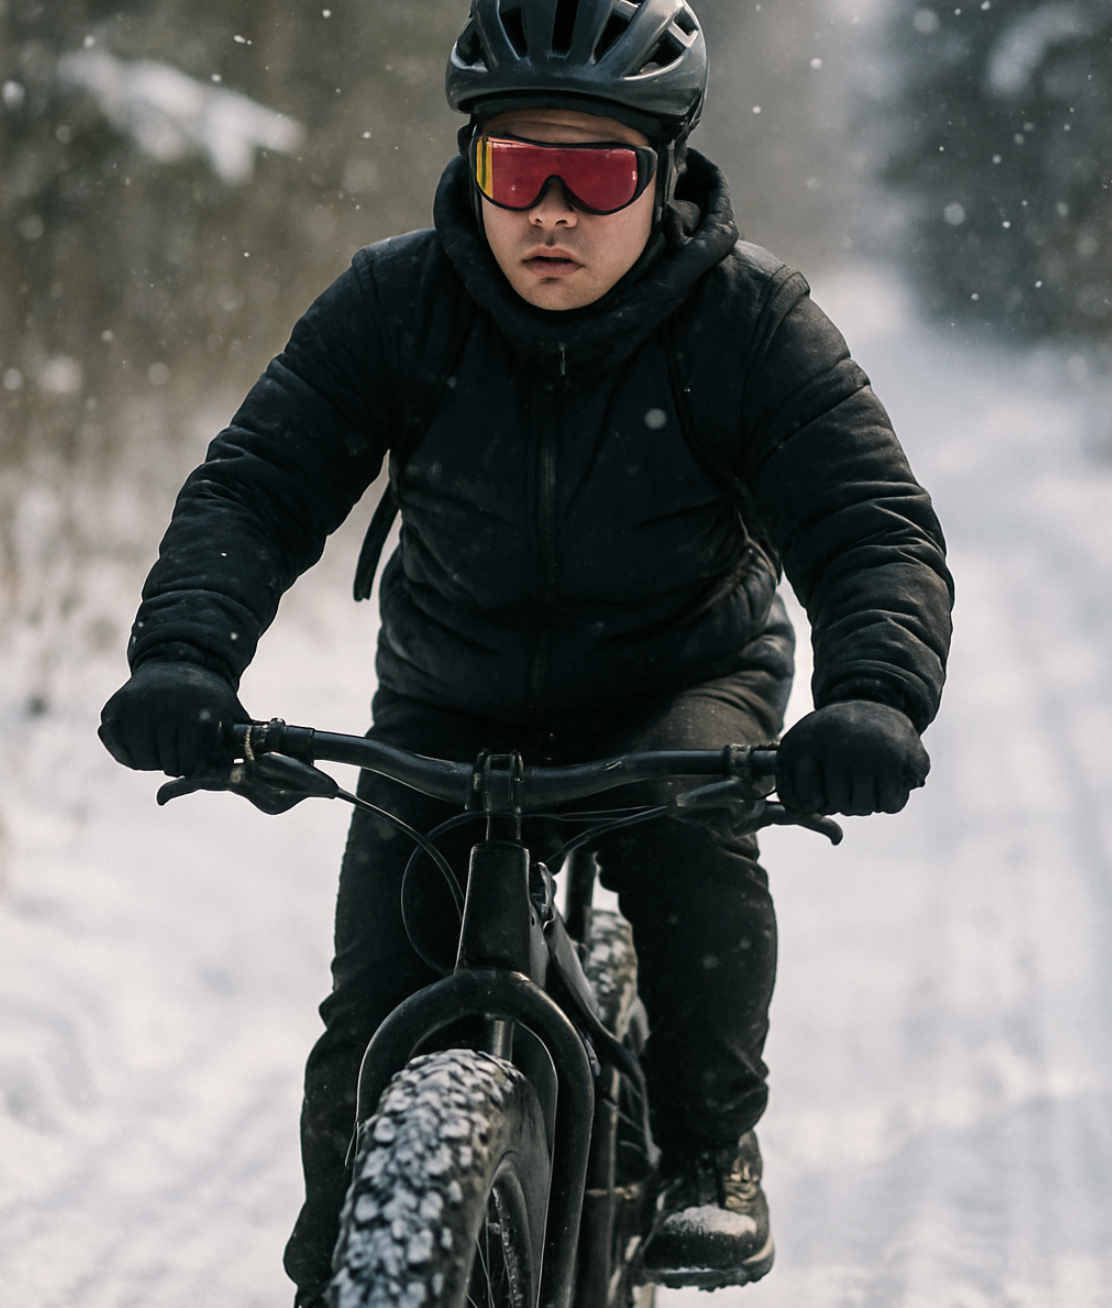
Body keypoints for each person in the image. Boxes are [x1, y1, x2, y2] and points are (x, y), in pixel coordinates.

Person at [98, 0, 953, 1300]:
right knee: (373, 1018)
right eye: (516, 167)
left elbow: (871, 529)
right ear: (472, 166)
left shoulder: (752, 322)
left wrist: (876, 696)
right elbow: (255, 490)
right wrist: (184, 662)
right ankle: (356, 1264)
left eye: (595, 171)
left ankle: (708, 1154)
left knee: (687, 850)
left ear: (663, 175)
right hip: (453, 698)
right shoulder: (396, 304)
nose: (550, 209)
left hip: (685, 677)